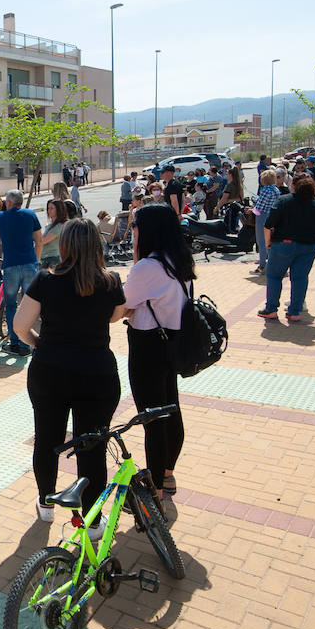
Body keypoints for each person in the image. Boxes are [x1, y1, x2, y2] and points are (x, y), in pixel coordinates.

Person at [14, 219, 127, 525]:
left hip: (50, 371)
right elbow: (116, 316)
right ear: (96, 245)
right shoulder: (111, 280)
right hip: (97, 374)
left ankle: (47, 504)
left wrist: (39, 344)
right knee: (92, 446)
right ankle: (91, 521)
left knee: (47, 440)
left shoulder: (45, 280)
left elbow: (20, 326)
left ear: (64, 245)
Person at [121, 205, 193, 496]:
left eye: (135, 225)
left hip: (147, 345)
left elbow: (120, 309)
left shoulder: (147, 268)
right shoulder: (178, 259)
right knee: (170, 410)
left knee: (152, 419)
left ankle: (155, 490)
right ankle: (167, 474)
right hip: (173, 341)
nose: (132, 229)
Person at [258, 176, 315, 321]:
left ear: (293, 186)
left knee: (274, 276)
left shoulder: (284, 201)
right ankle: (294, 311)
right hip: (309, 246)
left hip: (284, 244)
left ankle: (271, 309)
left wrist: (268, 243)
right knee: (300, 278)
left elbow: (268, 224)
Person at [0, 189, 40, 355]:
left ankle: (16, 343)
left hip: (10, 266)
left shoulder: (0, 217)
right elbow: (39, 240)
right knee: (29, 306)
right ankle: (29, 343)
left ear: (9, 203)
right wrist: (37, 260)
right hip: (30, 265)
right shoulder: (30, 214)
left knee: (11, 304)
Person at [252, 170, 280, 274]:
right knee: (271, 241)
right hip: (273, 216)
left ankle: (262, 265)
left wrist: (252, 209)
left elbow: (258, 207)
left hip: (263, 217)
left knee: (262, 242)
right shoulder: (276, 190)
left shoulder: (265, 190)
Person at [38, 199, 69, 270]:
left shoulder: (59, 226)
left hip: (52, 259)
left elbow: (43, 241)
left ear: (58, 210)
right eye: (48, 208)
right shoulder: (51, 224)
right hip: (45, 258)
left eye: (52, 208)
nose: (49, 210)